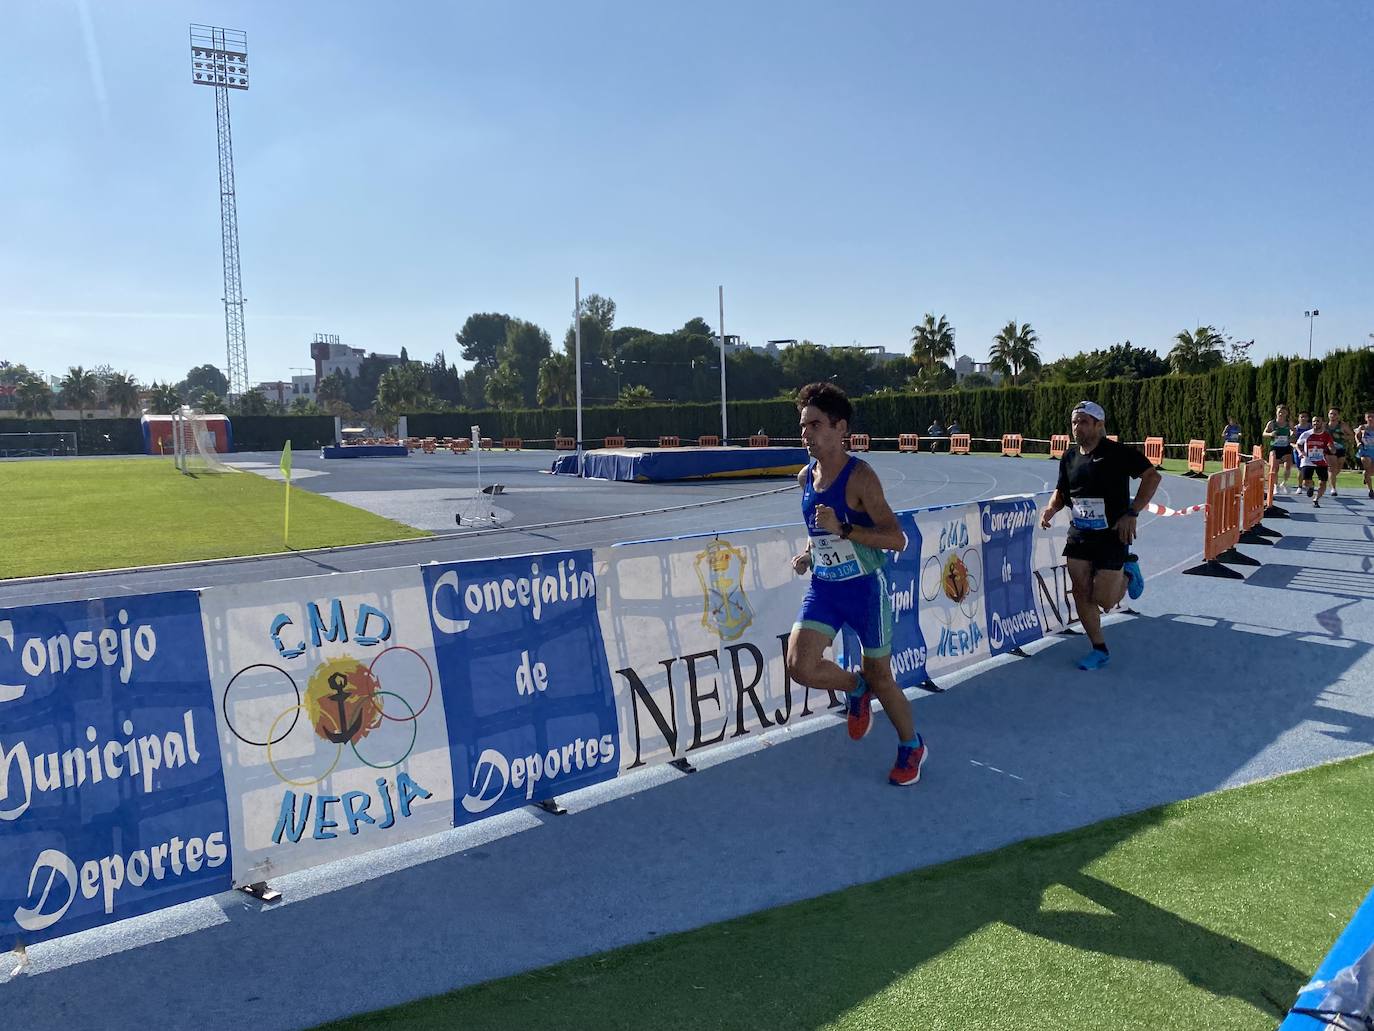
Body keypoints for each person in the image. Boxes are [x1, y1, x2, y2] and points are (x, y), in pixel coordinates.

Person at [787, 381, 926, 786]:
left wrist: (845, 528)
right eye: (802, 426)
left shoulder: (861, 477)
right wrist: (810, 554)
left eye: (814, 425)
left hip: (865, 589)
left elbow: (896, 539)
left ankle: (911, 745)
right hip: (826, 588)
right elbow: (820, 535)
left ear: (839, 427)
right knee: (799, 665)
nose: (805, 433)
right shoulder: (804, 478)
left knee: (883, 677)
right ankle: (855, 687)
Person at [1038, 401, 1162, 670]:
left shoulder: (1117, 453)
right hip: (1080, 534)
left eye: (1083, 421)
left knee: (1105, 600)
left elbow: (1152, 477)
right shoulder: (1069, 457)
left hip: (1112, 534)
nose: (1076, 427)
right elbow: (1061, 491)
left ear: (1099, 424)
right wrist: (1050, 509)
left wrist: (1132, 512)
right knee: (1080, 591)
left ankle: (1129, 571)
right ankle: (1099, 648)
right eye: (1074, 422)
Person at [1296, 414, 1335, 507]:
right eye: (1314, 421)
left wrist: (1332, 449)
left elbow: (1331, 446)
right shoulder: (1306, 434)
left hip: (1321, 461)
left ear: (1322, 423)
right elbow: (1298, 444)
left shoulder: (1326, 435)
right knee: (1305, 482)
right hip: (1307, 461)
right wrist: (1300, 452)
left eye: (1318, 421)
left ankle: (1316, 500)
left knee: (1322, 482)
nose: (1315, 423)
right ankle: (1311, 486)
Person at [1262, 405, 1296, 494]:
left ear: (1286, 413)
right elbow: (1264, 433)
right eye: (1279, 412)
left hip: (1286, 447)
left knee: (1288, 466)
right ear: (1276, 412)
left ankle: (1284, 483)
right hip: (1275, 447)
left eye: (1283, 412)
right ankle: (1275, 485)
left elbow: (1294, 431)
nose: (1281, 414)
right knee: (1275, 468)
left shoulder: (1289, 423)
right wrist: (1270, 434)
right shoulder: (1272, 423)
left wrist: (1292, 434)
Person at [1327, 407, 1349, 497]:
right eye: (1331, 414)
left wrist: (1341, 436)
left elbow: (1351, 436)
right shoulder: (1325, 426)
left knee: (1338, 468)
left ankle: (1329, 478)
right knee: (1332, 467)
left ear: (1338, 416)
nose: (1332, 416)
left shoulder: (1342, 425)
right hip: (1329, 449)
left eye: (1335, 414)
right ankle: (1333, 488)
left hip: (1341, 449)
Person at [1355, 410, 1374, 499]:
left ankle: (1366, 476)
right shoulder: (1362, 427)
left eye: (1372, 417)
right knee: (1367, 467)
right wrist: (1358, 442)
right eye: (1368, 417)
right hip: (1365, 451)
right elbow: (1356, 436)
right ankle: (1371, 490)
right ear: (1365, 418)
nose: (1370, 419)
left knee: (1371, 472)